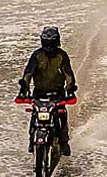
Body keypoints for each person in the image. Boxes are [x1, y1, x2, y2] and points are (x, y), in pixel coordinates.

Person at [18, 27, 77, 155]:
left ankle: (64, 141)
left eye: (51, 44)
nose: (49, 47)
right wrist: (24, 89)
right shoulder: (37, 55)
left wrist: (70, 89)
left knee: (62, 115)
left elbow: (68, 75)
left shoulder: (62, 56)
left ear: (57, 42)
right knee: (35, 116)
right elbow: (28, 74)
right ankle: (31, 139)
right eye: (46, 43)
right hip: (39, 93)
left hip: (58, 94)